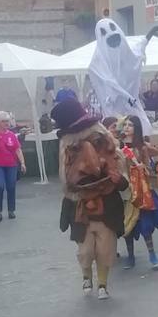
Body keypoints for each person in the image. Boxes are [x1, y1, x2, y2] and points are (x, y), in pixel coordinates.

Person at [53, 98, 128, 299]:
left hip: (107, 204)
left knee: (106, 247)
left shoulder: (103, 139)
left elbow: (120, 168)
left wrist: (119, 179)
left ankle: (103, 284)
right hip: (81, 207)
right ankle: (87, 276)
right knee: (85, 250)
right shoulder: (68, 148)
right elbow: (66, 181)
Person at [121, 115, 158, 270]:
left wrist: (141, 167)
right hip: (126, 192)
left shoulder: (141, 147)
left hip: (140, 193)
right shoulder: (119, 147)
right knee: (127, 226)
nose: (127, 127)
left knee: (145, 226)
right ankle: (130, 256)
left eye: (130, 125)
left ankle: (152, 254)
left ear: (136, 128)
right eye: (126, 125)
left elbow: (149, 170)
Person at [0, 111, 26, 222]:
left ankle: (11, 210)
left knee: (11, 187)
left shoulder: (12, 135)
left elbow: (17, 150)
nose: (6, 123)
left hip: (11, 165)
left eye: (7, 121)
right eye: (4, 121)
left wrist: (22, 163)